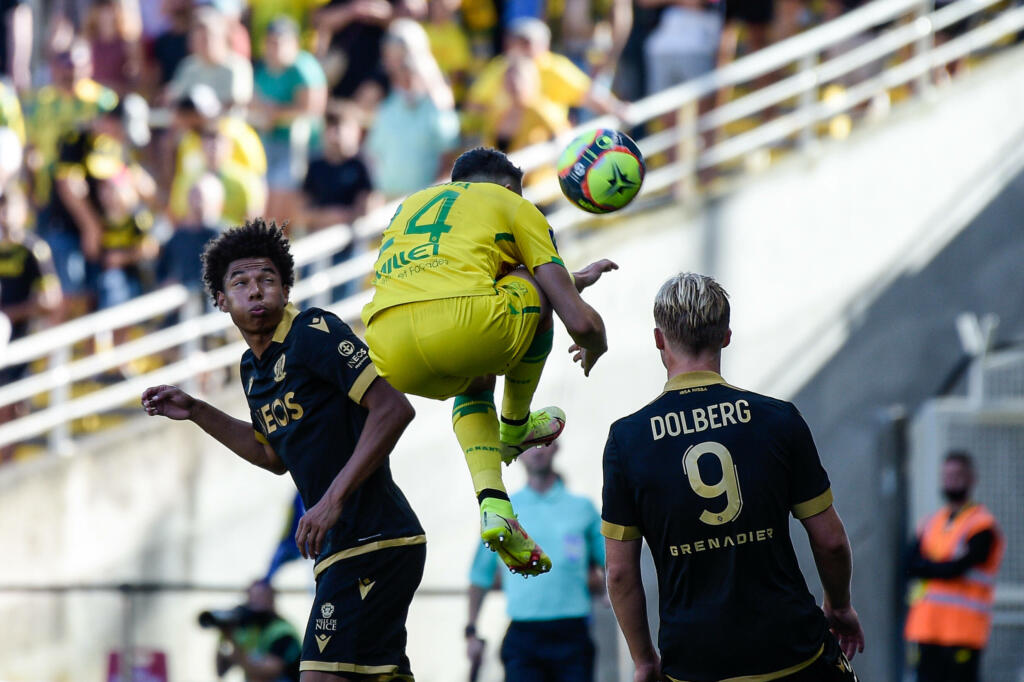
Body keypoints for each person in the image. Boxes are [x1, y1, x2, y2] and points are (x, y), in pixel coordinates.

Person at [142, 220, 426, 680]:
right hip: (340, 546)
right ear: (220, 300)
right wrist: (197, 410)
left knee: (315, 674)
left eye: (267, 280)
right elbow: (272, 457)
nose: (256, 291)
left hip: (375, 537)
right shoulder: (252, 369)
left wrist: (331, 501)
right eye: (241, 283)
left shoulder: (313, 332)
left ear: (286, 287)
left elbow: (393, 410)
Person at [361, 146, 616, 576]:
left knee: (475, 379)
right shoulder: (512, 203)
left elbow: (458, 267)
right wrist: (596, 341)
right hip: (467, 325)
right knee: (527, 282)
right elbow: (578, 320)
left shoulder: (409, 207)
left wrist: (569, 279)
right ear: (504, 187)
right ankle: (515, 425)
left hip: (389, 350)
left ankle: (494, 504)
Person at [601, 272, 864, 682]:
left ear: (659, 340)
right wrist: (840, 605)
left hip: (694, 662)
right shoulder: (778, 420)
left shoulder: (627, 440)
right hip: (792, 651)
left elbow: (618, 573)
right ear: (726, 336)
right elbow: (830, 542)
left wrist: (644, 660)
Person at [465, 441, 605, 682]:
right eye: (528, 445)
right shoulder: (502, 510)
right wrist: (470, 630)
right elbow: (480, 576)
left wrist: (610, 591)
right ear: (516, 454)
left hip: (573, 635)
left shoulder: (582, 508)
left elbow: (612, 563)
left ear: (556, 448)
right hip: (523, 636)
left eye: (542, 443)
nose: (536, 451)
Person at [904, 451, 1005, 682]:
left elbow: (957, 568)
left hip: (963, 631)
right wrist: (942, 565)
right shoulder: (931, 522)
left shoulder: (982, 525)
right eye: (947, 475)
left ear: (972, 479)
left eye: (958, 475)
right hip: (927, 627)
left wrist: (930, 565)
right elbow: (910, 564)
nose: (951, 480)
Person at [0, 185, 62, 462]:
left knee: (14, 406)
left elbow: (52, 300)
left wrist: (14, 313)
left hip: (21, 341)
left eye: (9, 209)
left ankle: (8, 464)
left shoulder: (33, 250)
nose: (4, 216)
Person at [252, 16, 327, 225]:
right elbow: (256, 105)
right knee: (258, 197)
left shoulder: (304, 68)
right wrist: (268, 116)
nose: (274, 47)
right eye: (270, 42)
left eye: (279, 41)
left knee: (279, 201)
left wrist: (275, 113)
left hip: (301, 148)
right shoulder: (263, 70)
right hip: (269, 143)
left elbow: (312, 110)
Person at [213, 580, 302, 682]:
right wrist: (224, 635)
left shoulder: (283, 632)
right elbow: (221, 670)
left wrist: (232, 641)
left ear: (272, 599)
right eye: (252, 598)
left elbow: (265, 673)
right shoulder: (249, 630)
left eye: (261, 597)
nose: (255, 604)